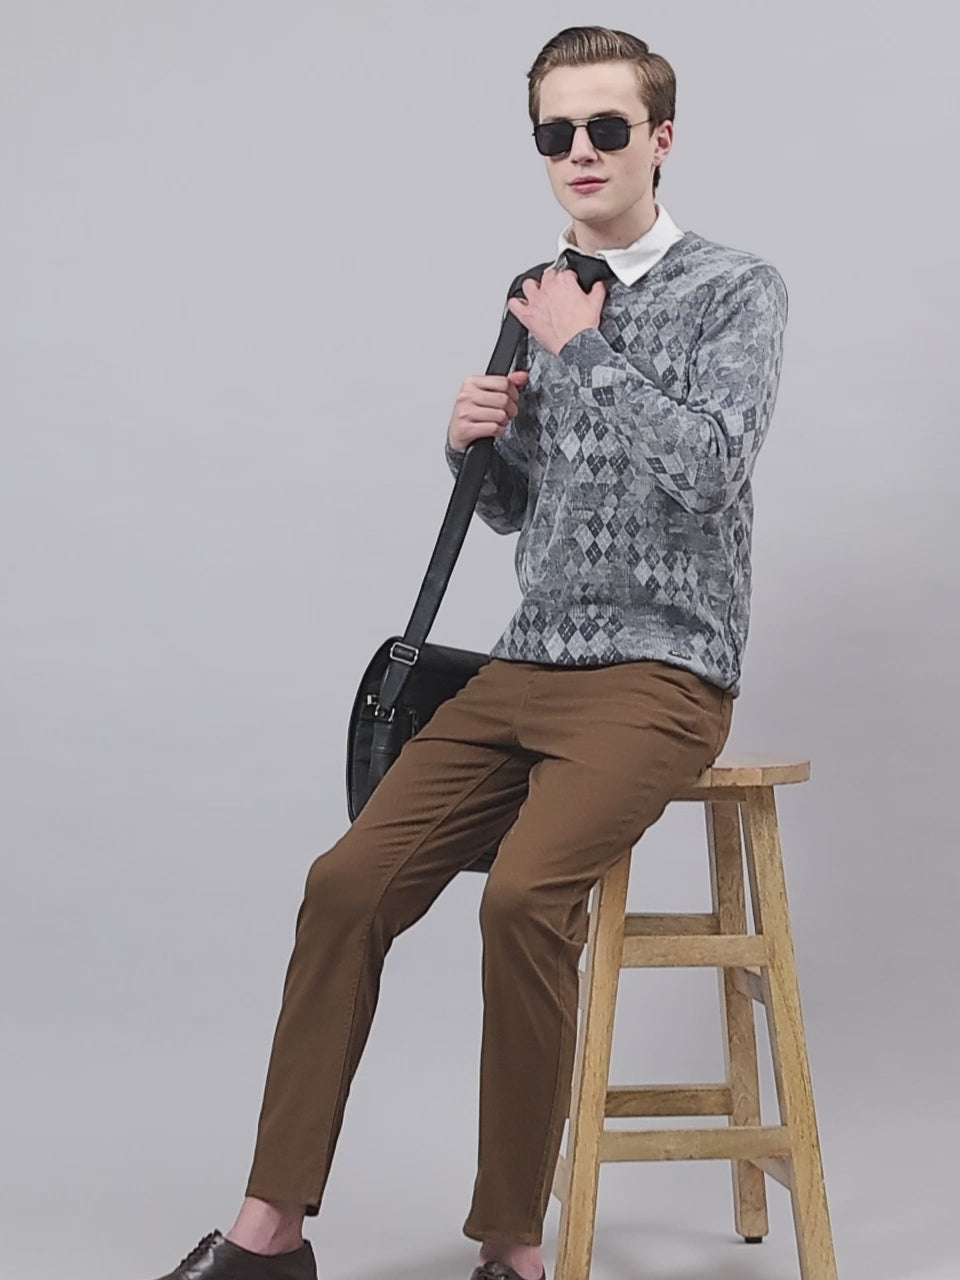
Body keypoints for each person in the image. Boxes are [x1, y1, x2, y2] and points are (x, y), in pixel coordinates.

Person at [144, 23, 788, 1280]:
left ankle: (511, 1243)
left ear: (661, 138)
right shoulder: (538, 289)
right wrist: (472, 443)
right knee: (345, 884)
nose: (581, 150)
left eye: (607, 126)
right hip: (523, 665)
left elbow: (710, 469)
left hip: (660, 674)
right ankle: (269, 1232)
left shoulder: (733, 287)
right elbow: (522, 506)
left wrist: (582, 348)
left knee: (522, 899)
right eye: (557, 131)